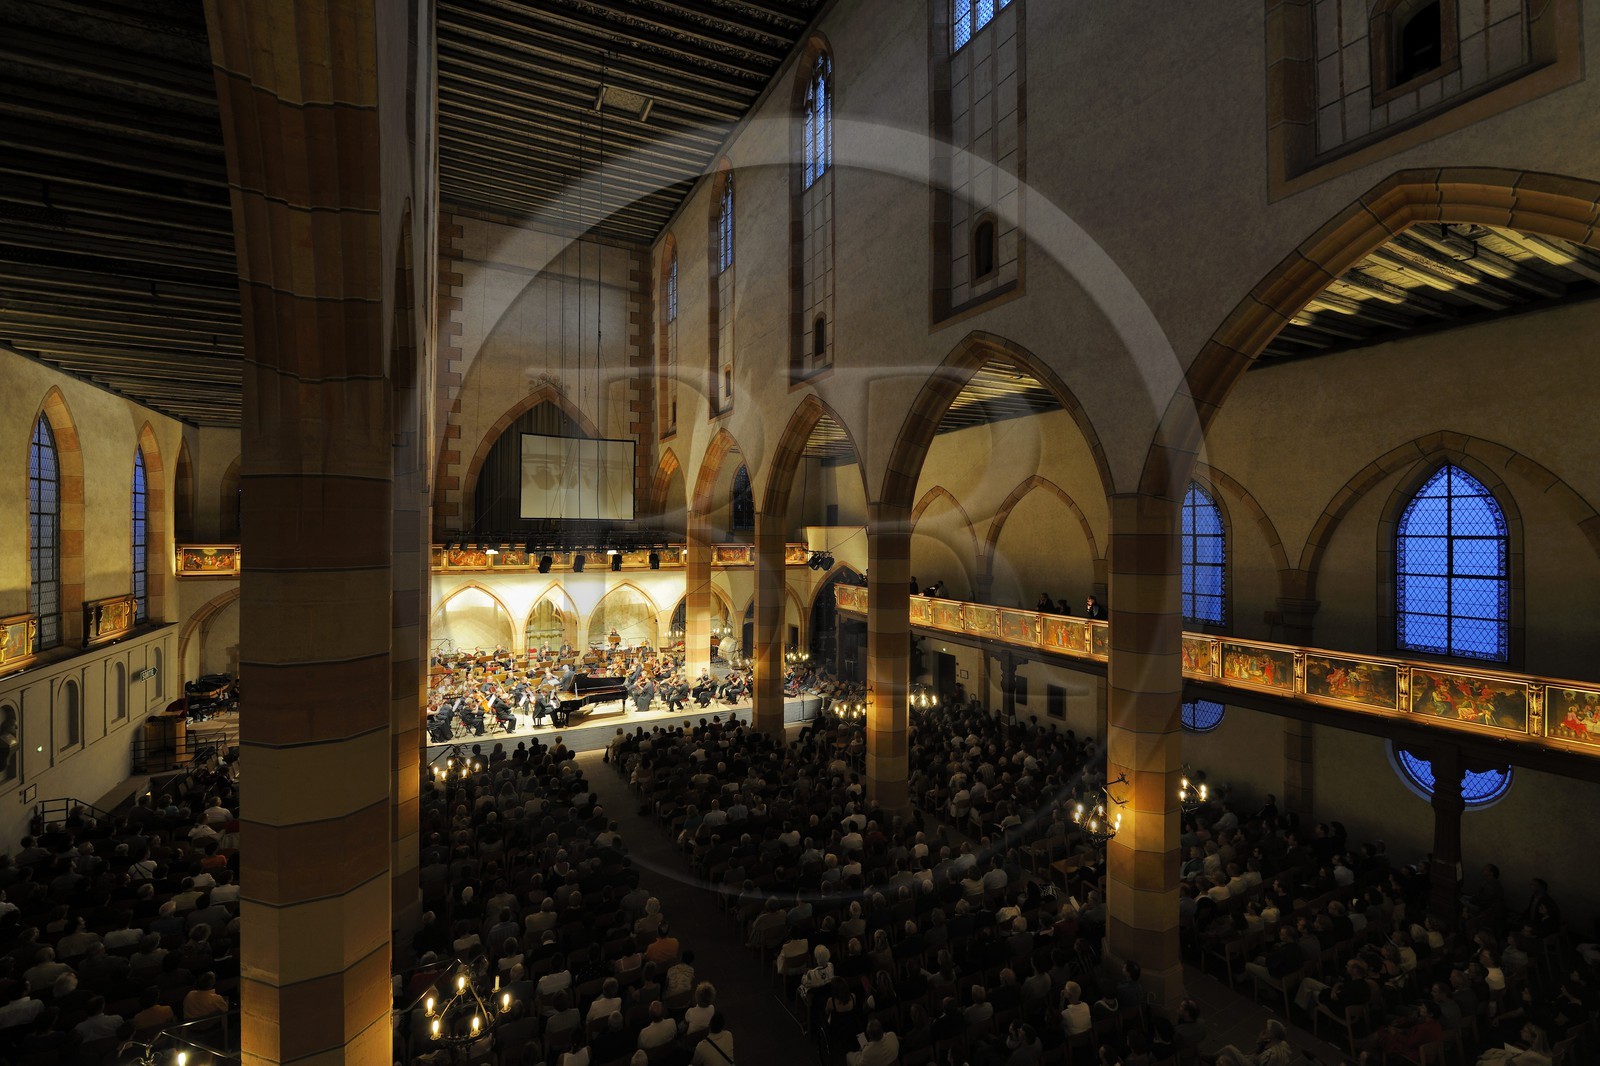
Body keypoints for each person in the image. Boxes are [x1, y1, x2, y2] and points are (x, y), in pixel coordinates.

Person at [1214, 1019, 1293, 1066]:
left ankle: (1211, 1058)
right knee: (1226, 1056)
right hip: (1254, 1061)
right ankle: (1213, 1058)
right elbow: (1257, 1052)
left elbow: (1258, 1061)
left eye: (1265, 1032)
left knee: (1229, 1049)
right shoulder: (1281, 1044)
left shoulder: (1272, 1055)